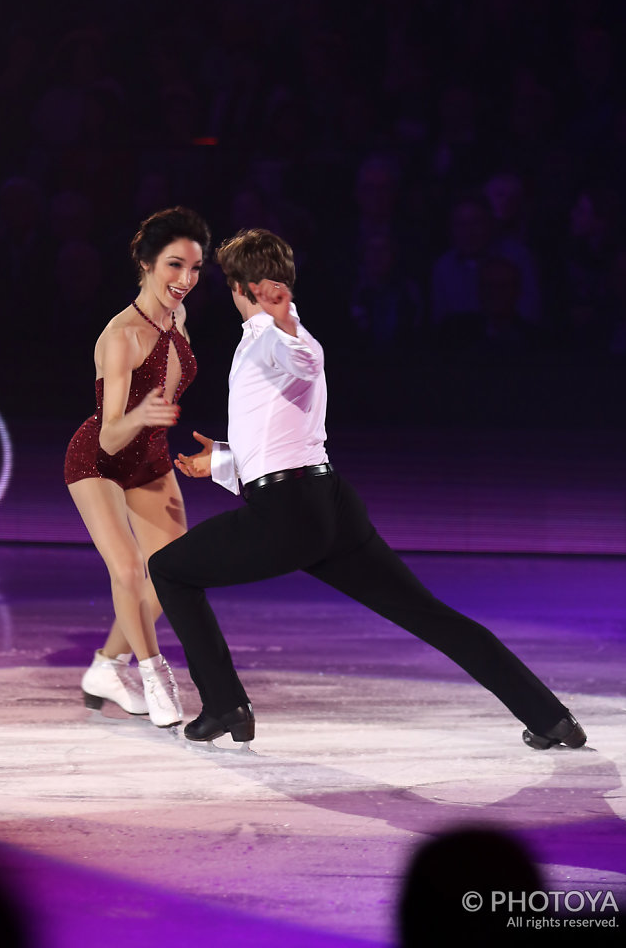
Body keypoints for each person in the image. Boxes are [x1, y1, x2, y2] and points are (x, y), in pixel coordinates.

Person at [148, 229, 586, 752]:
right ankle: (550, 717)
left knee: (169, 570)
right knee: (429, 615)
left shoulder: (273, 335)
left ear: (243, 286)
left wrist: (284, 321)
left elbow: (306, 360)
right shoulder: (262, 339)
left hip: (289, 513)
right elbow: (278, 436)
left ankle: (225, 705)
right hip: (327, 503)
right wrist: (220, 459)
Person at [64, 206, 210, 727]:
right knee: (127, 569)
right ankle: (152, 673)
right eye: (175, 266)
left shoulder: (178, 317)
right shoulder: (120, 335)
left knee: (170, 576)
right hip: (99, 460)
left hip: (149, 459)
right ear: (146, 263)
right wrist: (141, 413)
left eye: (194, 268)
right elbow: (108, 432)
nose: (186, 280)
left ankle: (106, 666)